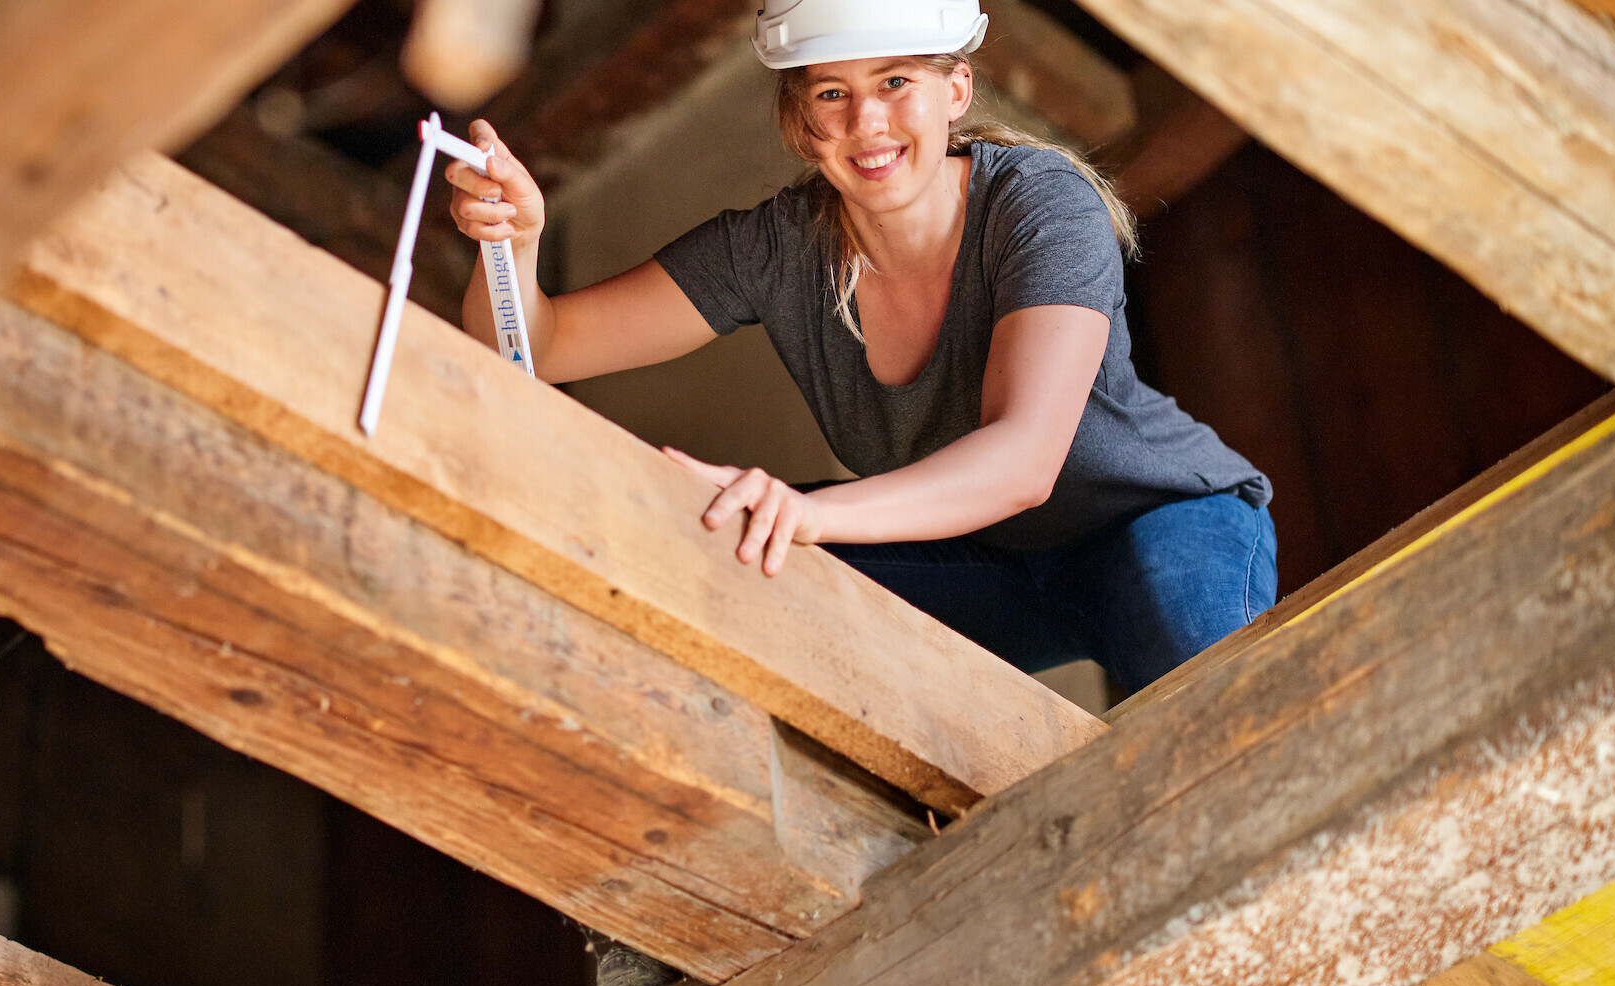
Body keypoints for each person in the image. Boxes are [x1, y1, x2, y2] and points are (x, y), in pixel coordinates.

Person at [442, 0, 1273, 704]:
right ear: (802, 123)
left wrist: (814, 514)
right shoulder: (774, 250)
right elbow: (534, 348)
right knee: (736, 549)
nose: (864, 122)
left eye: (895, 83)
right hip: (994, 563)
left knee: (1210, 701)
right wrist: (512, 247)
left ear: (956, 89)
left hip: (1157, 522)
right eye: (832, 92)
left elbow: (1025, 464)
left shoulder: (1039, 206)